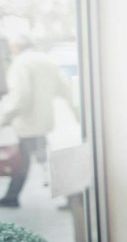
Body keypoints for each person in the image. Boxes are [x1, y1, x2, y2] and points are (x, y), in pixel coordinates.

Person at [0, 35, 77, 207]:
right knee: (42, 159)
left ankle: (12, 196)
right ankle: (71, 197)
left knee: (26, 159)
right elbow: (64, 89)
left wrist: (5, 118)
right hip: (46, 121)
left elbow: (21, 97)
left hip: (27, 122)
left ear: (16, 47)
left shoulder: (20, 64)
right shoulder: (46, 60)